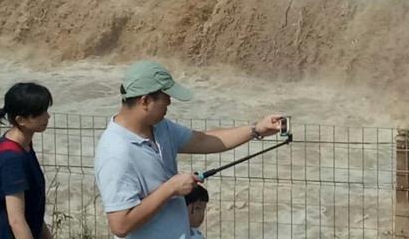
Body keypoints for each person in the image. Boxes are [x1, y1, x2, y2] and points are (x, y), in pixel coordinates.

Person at [94, 60, 283, 239]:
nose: (169, 102)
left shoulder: (159, 127)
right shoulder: (116, 153)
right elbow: (120, 225)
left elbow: (201, 140)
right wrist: (171, 188)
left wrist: (256, 129)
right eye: (165, 97)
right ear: (145, 101)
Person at [0, 83, 54, 239]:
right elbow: (17, 220)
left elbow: (32, 209)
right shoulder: (12, 159)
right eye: (40, 113)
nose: (47, 117)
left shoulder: (22, 145)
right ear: (21, 120)